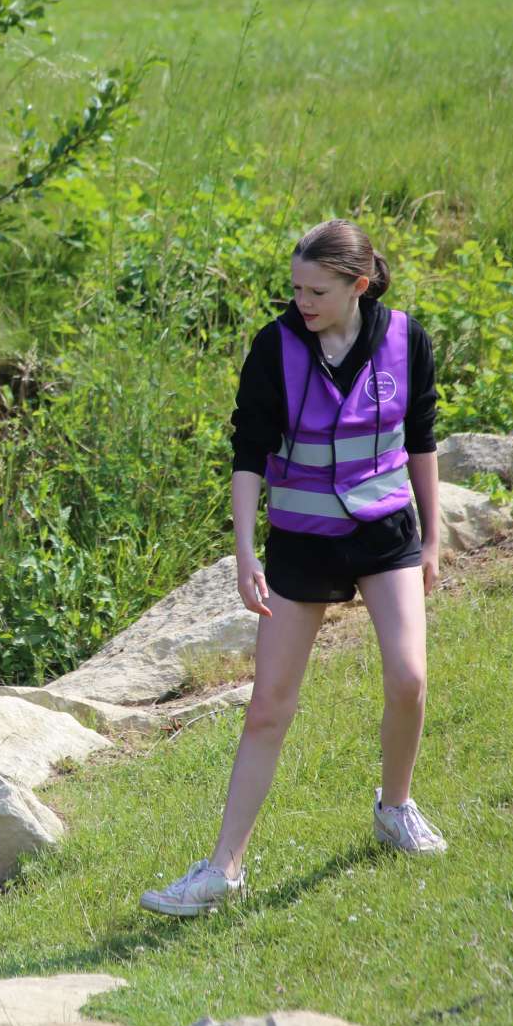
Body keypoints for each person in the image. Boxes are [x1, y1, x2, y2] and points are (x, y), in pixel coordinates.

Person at [140, 219, 447, 919]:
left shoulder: (407, 340)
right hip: (302, 542)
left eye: (315, 291)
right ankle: (223, 870)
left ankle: (395, 809)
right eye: (295, 289)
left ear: (358, 286)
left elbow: (422, 437)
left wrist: (433, 538)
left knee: (409, 679)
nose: (300, 303)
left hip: (386, 535)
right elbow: (249, 450)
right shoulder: (273, 347)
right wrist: (246, 551)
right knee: (268, 707)